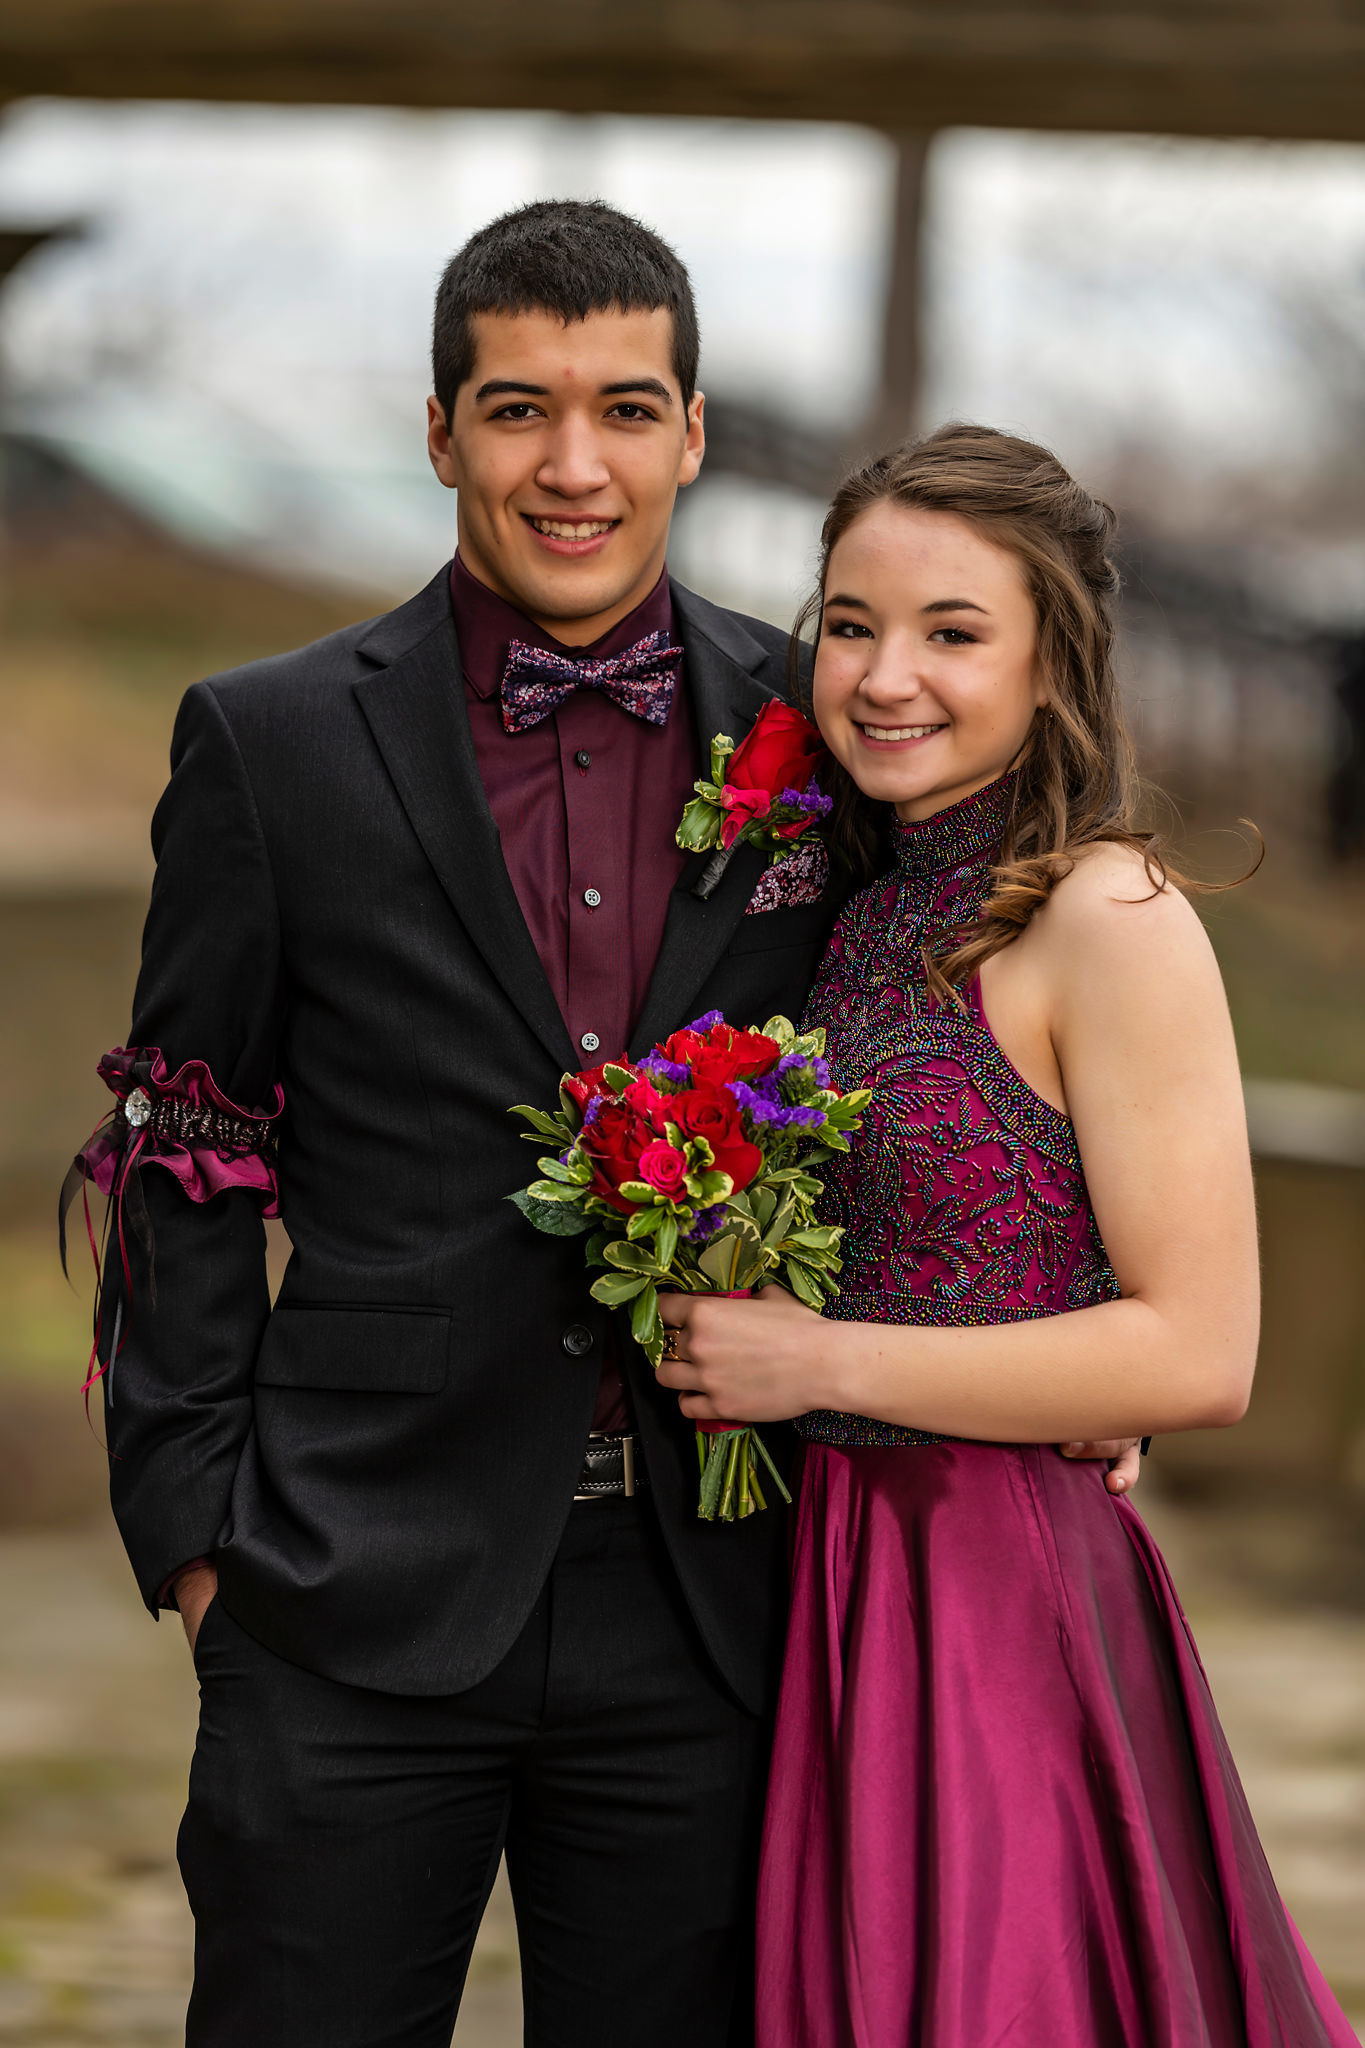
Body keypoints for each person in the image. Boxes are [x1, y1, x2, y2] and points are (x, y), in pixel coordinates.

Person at [69, 207, 1135, 2047]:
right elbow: (187, 1141)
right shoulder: (269, 742)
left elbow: (946, 1032)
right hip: (339, 1586)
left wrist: (1068, 1334)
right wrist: (194, 1533)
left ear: (695, 433)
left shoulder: (831, 730)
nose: (575, 465)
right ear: (438, 431)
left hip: (726, 1600)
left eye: (625, 408)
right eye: (517, 409)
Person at [657, 425, 1357, 2046]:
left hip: (980, 1607)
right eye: (848, 623)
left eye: (952, 632)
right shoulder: (839, 904)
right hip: (811, 1577)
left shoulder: (1107, 919)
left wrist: (814, 1356)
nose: (885, 674)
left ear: (1053, 667)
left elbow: (1200, 1350)